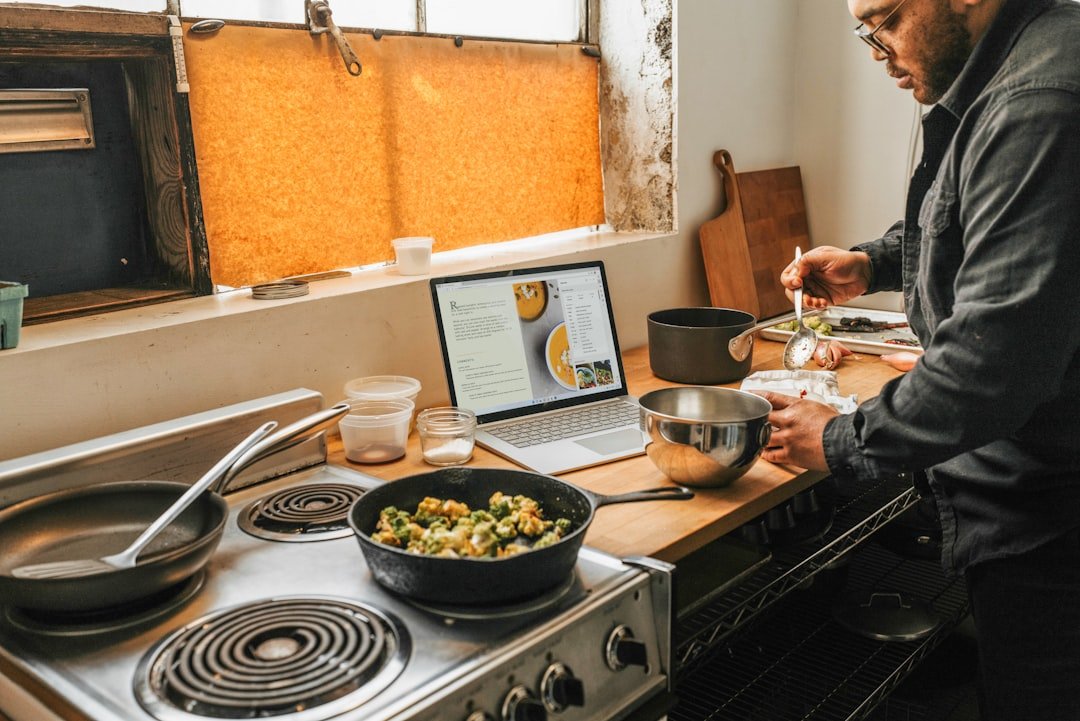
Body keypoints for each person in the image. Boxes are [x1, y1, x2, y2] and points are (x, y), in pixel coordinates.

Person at [756, 1, 1080, 718]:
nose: (876, 50)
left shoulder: (1038, 104)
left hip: (1052, 523)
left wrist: (839, 440)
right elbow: (984, 224)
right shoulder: (1015, 67)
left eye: (886, 19)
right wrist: (870, 263)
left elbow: (993, 364)